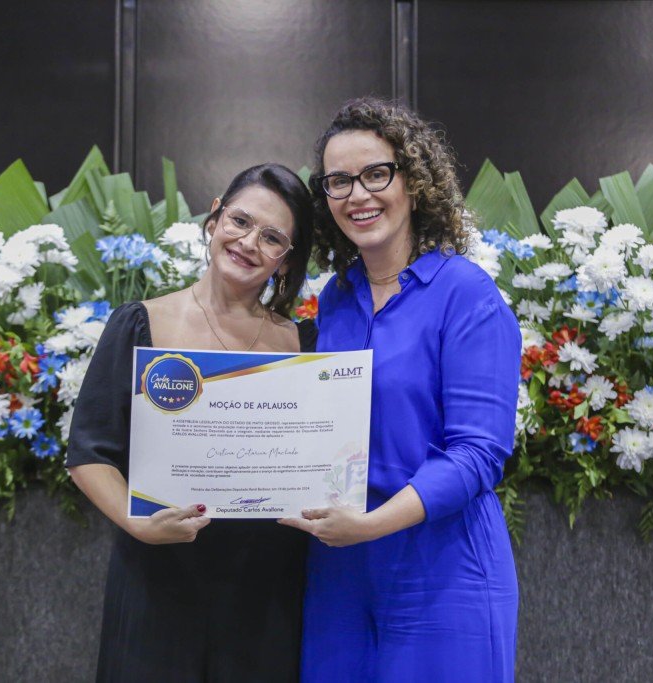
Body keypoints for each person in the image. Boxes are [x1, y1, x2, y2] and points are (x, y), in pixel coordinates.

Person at [279, 98, 522, 681]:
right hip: (340, 571)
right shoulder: (336, 299)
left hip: (443, 567)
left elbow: (478, 453)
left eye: (375, 174)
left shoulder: (467, 295)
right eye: (338, 182)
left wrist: (372, 524)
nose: (357, 195)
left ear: (413, 181)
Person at [66, 163, 317, 683]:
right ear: (213, 218)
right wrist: (136, 522)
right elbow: (90, 453)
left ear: (287, 261)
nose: (248, 242)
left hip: (266, 588)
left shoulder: (305, 344)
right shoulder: (139, 322)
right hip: (158, 578)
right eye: (240, 221)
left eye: (272, 238)